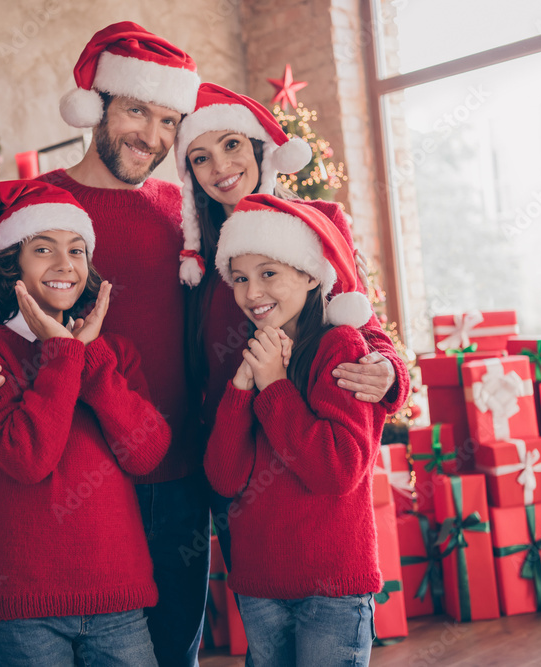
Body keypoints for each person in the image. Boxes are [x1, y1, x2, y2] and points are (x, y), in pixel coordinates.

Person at [0, 23, 215, 666]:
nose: (152, 136)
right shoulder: (29, 205)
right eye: (138, 111)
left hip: (172, 476)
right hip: (65, 483)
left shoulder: (188, 211)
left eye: (169, 120)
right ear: (97, 103)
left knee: (173, 654)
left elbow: (289, 282)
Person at [174, 83, 408, 567]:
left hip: (312, 461)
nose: (220, 167)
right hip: (235, 463)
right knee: (263, 616)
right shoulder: (193, 259)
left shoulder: (320, 222)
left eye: (232, 144)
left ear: (260, 146)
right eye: (200, 157)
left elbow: (365, 326)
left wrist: (388, 370)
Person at [0, 180, 171, 666]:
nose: (64, 264)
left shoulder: (111, 352)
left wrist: (87, 356)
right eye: (42, 249)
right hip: (24, 606)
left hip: (119, 598)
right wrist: (61, 356)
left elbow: (147, 452)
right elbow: (29, 458)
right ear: (11, 263)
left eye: (76, 250)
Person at [205, 193, 384, 667]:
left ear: (308, 274)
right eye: (240, 279)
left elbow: (337, 469)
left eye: (269, 274)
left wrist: (276, 387)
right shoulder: (254, 354)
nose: (252, 293)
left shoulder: (340, 347)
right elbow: (224, 478)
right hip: (260, 585)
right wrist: (242, 389)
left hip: (331, 589)